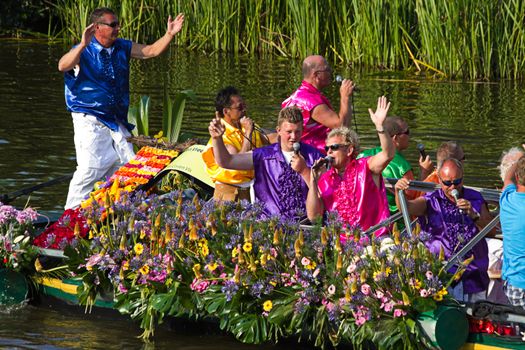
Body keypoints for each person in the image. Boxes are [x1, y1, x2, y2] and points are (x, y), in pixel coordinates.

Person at [59, 8, 185, 209]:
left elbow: (150, 51)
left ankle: (121, 211)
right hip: (89, 119)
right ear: (97, 27)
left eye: (118, 24)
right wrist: (83, 44)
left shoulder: (121, 47)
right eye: (113, 25)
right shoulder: (84, 50)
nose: (118, 28)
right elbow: (62, 66)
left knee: (128, 166)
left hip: (115, 120)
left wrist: (169, 34)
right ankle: (70, 216)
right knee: (91, 168)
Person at [394, 158, 494, 302]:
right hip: (442, 274)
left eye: (457, 182)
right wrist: (399, 192)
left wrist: (473, 214)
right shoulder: (431, 200)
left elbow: (491, 230)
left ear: (463, 178)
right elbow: (407, 208)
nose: (453, 187)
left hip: (473, 272)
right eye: (447, 183)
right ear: (439, 180)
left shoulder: (475, 197)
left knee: (476, 318)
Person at [208, 106, 322, 220]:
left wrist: (305, 171)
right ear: (278, 130)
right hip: (269, 227)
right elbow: (226, 161)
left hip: (304, 227)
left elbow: (324, 194)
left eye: (297, 131)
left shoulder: (314, 156)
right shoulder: (264, 155)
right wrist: (216, 138)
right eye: (289, 132)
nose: (293, 137)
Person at [306, 96, 394, 236]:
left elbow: (388, 154)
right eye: (327, 148)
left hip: (374, 239)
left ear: (349, 150)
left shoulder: (366, 167)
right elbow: (313, 217)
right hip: (341, 244)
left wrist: (380, 127)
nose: (329, 151)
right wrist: (313, 180)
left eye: (334, 147)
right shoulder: (324, 180)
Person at [202, 86, 266, 202]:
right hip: (231, 194)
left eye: (244, 105)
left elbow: (266, 140)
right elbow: (239, 164)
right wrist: (248, 133)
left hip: (254, 189)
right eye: (239, 107)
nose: (244, 110)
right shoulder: (222, 138)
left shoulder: (246, 126)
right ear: (226, 111)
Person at [282, 55, 355, 153]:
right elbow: (342, 127)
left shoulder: (297, 95)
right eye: (327, 69)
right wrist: (345, 96)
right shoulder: (311, 101)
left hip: (301, 150)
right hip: (313, 155)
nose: (331, 72)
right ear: (316, 75)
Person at [357, 116, 429, 214]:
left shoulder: (362, 156)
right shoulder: (402, 166)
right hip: (393, 222)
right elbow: (414, 201)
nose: (409, 135)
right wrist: (424, 172)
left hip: (363, 214)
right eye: (406, 132)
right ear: (395, 138)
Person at [500, 153, 525, 309]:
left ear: (518, 176)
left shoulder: (507, 200)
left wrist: (521, 158)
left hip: (513, 289)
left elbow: (507, 179)